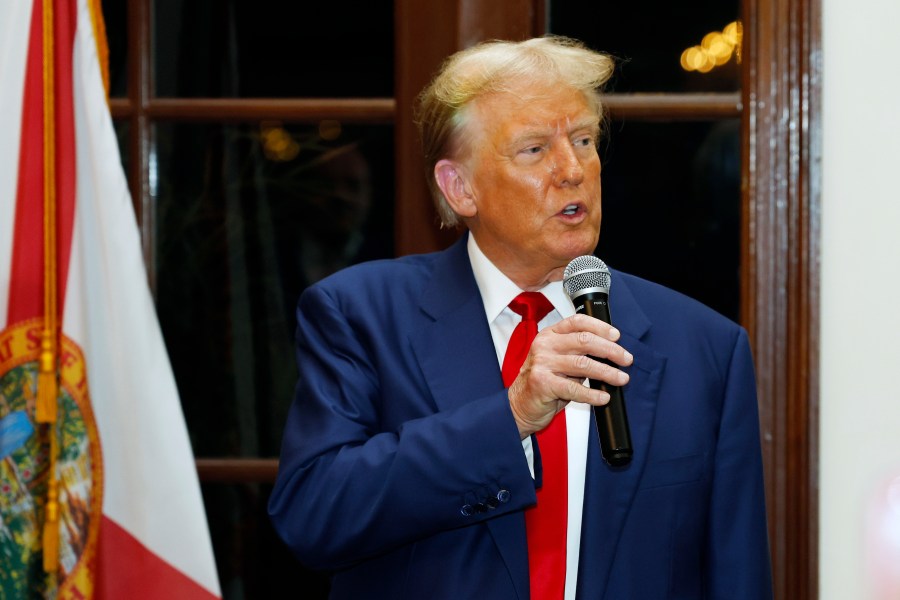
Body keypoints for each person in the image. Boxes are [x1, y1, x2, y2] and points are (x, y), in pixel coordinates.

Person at [268, 36, 773, 599]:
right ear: (459, 188)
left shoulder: (704, 348)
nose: (572, 169)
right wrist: (509, 419)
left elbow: (737, 574)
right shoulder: (360, 316)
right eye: (534, 149)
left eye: (583, 139)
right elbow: (312, 517)